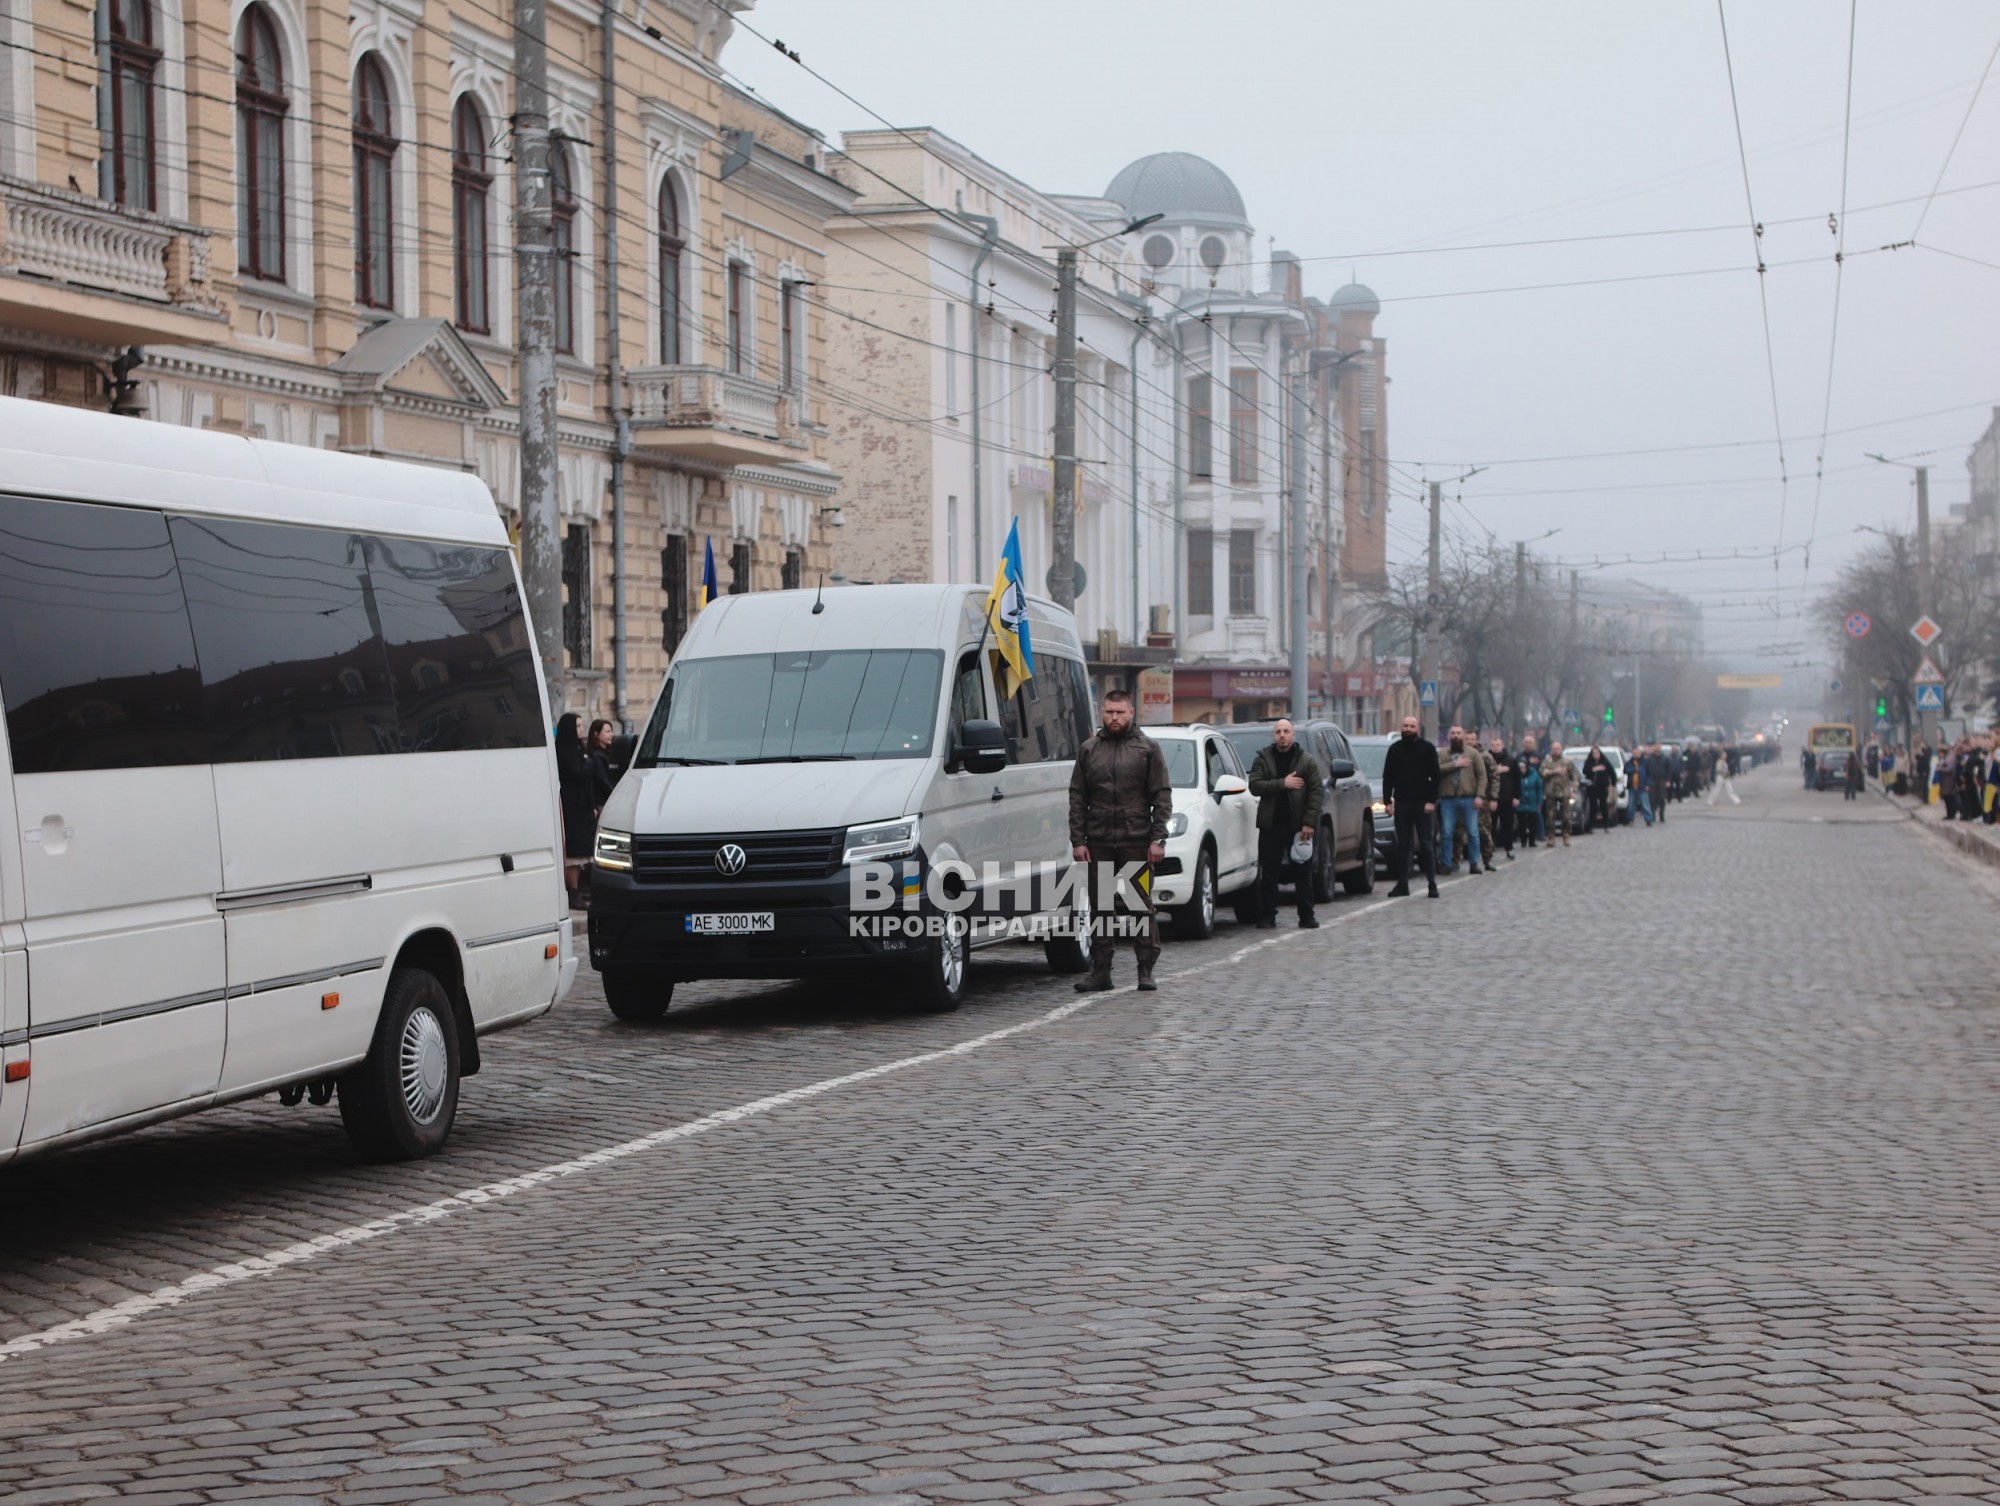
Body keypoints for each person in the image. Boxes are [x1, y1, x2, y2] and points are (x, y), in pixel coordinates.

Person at [1068, 688, 1172, 993]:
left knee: (1139, 905)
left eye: (1119, 712)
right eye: (1108, 712)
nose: (1113, 718)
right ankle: (1101, 971)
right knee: (1101, 908)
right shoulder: (1089, 749)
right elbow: (1077, 796)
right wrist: (1078, 839)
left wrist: (1158, 839)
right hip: (1099, 840)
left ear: (1131, 713)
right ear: (1102, 712)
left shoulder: (1147, 749)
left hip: (1136, 839)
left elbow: (1161, 795)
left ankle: (1145, 970)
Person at [1247, 718, 1325, 929]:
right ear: (1274, 736)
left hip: (1298, 826)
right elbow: (1254, 785)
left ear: (1293, 735)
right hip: (1270, 825)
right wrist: (1283, 783)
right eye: (1278, 732)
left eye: (1286, 731)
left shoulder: (1306, 760)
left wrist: (1309, 822)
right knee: (1269, 874)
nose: (1282, 735)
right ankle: (1268, 915)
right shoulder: (1264, 758)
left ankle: (1307, 915)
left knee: (1303, 873)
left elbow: (1317, 792)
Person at [1381, 715, 1440, 898]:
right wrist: (1387, 801)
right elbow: (1387, 777)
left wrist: (1431, 800)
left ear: (1417, 729)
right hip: (1402, 803)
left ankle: (1432, 884)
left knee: (1426, 844)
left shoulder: (1428, 749)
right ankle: (1403, 883)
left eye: (1411, 726)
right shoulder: (1394, 749)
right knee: (1403, 845)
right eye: (1405, 725)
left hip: (1422, 804)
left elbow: (1436, 777)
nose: (1408, 729)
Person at [555, 712, 595, 909]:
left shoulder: (579, 748)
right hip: (573, 808)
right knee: (574, 854)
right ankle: (572, 891)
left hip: (583, 807)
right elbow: (578, 773)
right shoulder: (565, 750)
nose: (581, 729)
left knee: (581, 852)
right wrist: (588, 762)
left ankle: (577, 889)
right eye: (578, 726)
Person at [1437, 725, 1484, 876]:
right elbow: (1435, 770)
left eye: (1458, 733)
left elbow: (1482, 776)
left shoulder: (1473, 753)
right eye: (1453, 733)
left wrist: (1479, 796)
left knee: (1472, 832)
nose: (1456, 735)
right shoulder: (1443, 753)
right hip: (1448, 799)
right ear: (1449, 735)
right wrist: (1455, 764)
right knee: (1446, 832)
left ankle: (1474, 863)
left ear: (1463, 735)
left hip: (1469, 798)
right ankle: (1446, 863)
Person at [1489, 736, 1520, 860]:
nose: (1495, 748)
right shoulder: (1487, 759)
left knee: (1507, 825)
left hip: (1507, 797)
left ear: (1502, 746)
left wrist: (1517, 796)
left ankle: (1509, 848)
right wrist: (1498, 770)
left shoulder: (1511, 760)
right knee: (1490, 825)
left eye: (1498, 745)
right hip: (1491, 797)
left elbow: (1517, 780)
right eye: (1493, 745)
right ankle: (1489, 849)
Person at [1541, 742, 1576, 846]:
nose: (1556, 751)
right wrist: (1555, 771)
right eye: (1554, 749)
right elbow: (1543, 772)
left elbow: (1574, 776)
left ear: (1561, 749)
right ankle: (1551, 837)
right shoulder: (1547, 761)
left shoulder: (1567, 762)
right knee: (1550, 816)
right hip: (1551, 792)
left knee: (1566, 816)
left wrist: (1574, 790)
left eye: (1557, 749)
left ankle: (1566, 835)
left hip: (1564, 792)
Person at [1517, 738, 1545, 848]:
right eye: (1526, 743)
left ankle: (1540, 834)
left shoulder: (1538, 756)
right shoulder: (1520, 756)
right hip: (1522, 797)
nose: (1527, 745)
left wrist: (1539, 799)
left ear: (1534, 744)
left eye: (1530, 743)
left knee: (1537, 816)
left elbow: (1542, 769)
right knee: (1522, 821)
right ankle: (1523, 839)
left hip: (1534, 791)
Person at [1581, 742, 1615, 833]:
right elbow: (1585, 771)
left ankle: (1606, 825)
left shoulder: (1605, 762)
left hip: (1603, 787)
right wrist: (1594, 769)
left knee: (1604, 805)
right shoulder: (1589, 762)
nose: (1596, 755)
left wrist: (1612, 785)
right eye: (1594, 753)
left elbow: (1612, 773)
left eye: (1597, 753)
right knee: (1593, 806)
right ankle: (1591, 826)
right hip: (1592, 787)